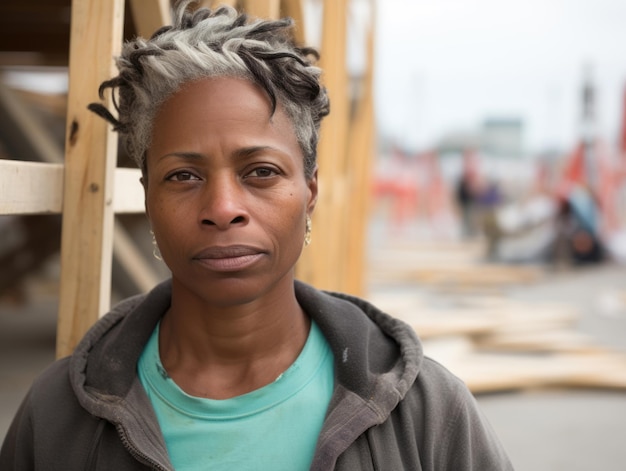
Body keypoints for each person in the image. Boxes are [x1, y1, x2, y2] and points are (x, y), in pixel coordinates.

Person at [0, 2, 513, 469]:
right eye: (183, 176)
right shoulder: (56, 420)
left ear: (310, 191)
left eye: (261, 171)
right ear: (148, 196)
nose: (223, 209)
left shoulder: (428, 414)